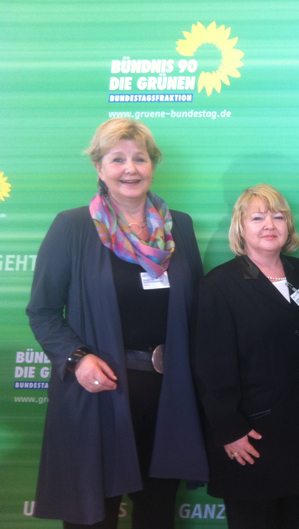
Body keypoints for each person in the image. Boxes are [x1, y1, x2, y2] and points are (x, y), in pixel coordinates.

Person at [26, 118, 208, 528]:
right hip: (100, 392)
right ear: (99, 168)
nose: (130, 169)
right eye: (117, 159)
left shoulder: (180, 227)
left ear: (152, 165)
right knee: (94, 515)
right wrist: (77, 359)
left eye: (140, 158)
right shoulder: (73, 227)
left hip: (168, 395)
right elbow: (42, 311)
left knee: (157, 512)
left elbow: (196, 308)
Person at [193, 184, 299, 529]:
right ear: (240, 227)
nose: (269, 225)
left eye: (278, 217)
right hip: (249, 436)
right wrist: (230, 429)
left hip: (298, 432)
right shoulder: (219, 285)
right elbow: (210, 368)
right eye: (258, 217)